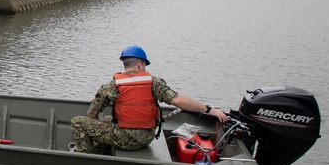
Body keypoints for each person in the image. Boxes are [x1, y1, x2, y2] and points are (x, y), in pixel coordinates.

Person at [69, 45, 229, 154]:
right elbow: (179, 101)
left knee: (77, 121)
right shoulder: (154, 82)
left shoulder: (112, 86)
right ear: (140, 64)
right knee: (106, 120)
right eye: (144, 64)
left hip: (125, 139)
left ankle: (86, 153)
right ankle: (102, 147)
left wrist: (94, 130)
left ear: (125, 64)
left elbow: (91, 113)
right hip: (147, 137)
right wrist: (209, 109)